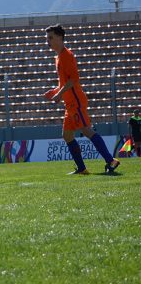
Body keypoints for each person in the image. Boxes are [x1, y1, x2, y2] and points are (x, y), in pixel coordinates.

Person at [43, 24, 120, 175]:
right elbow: (65, 82)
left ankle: (111, 160)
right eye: (47, 38)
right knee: (67, 135)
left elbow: (74, 80)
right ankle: (82, 168)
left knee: (86, 130)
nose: (48, 41)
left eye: (50, 38)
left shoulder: (67, 55)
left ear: (59, 37)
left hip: (76, 101)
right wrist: (55, 91)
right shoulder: (58, 57)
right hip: (69, 103)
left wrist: (59, 94)